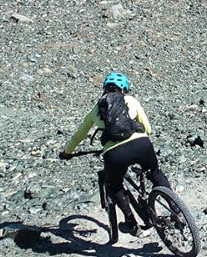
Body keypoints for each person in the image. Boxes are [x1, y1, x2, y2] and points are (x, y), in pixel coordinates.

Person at [60, 72, 169, 236]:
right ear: (124, 89)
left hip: (115, 153)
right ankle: (176, 209)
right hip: (142, 144)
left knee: (114, 185)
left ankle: (132, 224)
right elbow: (148, 129)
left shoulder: (96, 110)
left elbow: (78, 136)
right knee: (155, 174)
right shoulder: (131, 101)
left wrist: (67, 153)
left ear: (104, 89)